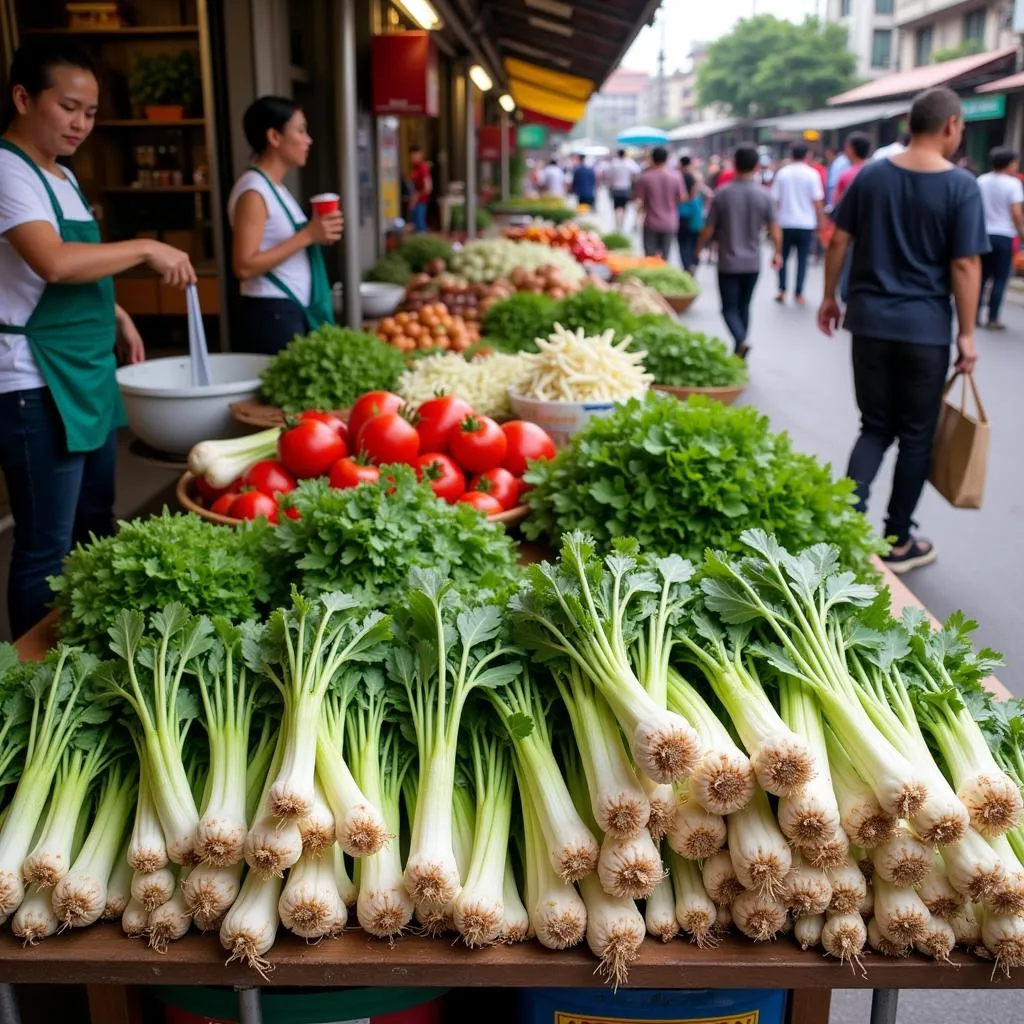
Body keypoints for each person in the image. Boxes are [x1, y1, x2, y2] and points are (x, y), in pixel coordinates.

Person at [0, 40, 196, 637]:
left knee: (94, 523)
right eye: (68, 107)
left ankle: (88, 651)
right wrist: (144, 247)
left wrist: (116, 314)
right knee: (45, 545)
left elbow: (81, 263)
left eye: (90, 112)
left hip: (84, 368)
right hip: (33, 379)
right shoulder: (8, 168)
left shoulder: (61, 174)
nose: (81, 124)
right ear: (23, 97)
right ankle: (34, 690)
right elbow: (54, 263)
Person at [818, 87, 988, 574]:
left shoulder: (871, 175)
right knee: (916, 436)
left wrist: (831, 297)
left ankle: (843, 530)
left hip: (869, 323)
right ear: (952, 125)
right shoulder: (960, 186)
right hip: (925, 330)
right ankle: (897, 540)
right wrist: (968, 335)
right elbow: (965, 265)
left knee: (874, 426)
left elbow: (839, 241)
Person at [229, 96, 342, 355]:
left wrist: (316, 235)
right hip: (272, 313)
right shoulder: (254, 192)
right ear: (274, 137)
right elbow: (244, 265)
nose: (308, 140)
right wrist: (307, 236)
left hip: (287, 310)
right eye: (300, 131)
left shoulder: (275, 188)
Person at [697, 146, 781, 359]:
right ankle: (740, 344)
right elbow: (775, 229)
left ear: (734, 164)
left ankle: (741, 339)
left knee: (728, 308)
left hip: (728, 260)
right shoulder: (764, 195)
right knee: (744, 305)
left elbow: (708, 228)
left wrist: (698, 249)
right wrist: (777, 253)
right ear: (756, 166)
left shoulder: (722, 194)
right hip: (753, 261)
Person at [977, 146, 1024, 330]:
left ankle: (974, 314)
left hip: (983, 234)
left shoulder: (981, 181)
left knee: (981, 276)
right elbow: (1016, 213)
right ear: (1009, 164)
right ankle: (993, 317)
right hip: (1004, 236)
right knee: (1000, 278)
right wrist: (1021, 232)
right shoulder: (1012, 184)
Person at [771, 143, 825, 305]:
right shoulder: (812, 174)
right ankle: (799, 291)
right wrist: (821, 221)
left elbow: (775, 200)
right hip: (805, 223)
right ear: (807, 155)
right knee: (802, 259)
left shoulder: (782, 174)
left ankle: (782, 289)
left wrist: (772, 223)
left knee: (782, 257)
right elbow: (817, 201)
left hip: (785, 221)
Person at [829, 132, 872, 303]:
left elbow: (838, 207)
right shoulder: (874, 172)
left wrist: (828, 295)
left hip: (852, 231)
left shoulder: (847, 176)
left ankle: (847, 294)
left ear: (851, 149)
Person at [633, 146, 685, 259]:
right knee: (665, 256)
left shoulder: (645, 178)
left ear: (652, 159)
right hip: (670, 222)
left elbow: (639, 201)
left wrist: (637, 218)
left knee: (649, 258)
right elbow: (682, 198)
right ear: (667, 159)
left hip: (651, 222)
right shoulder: (676, 176)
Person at [676, 155, 700, 273]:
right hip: (694, 213)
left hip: (681, 213)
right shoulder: (695, 177)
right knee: (693, 240)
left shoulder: (677, 177)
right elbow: (695, 194)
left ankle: (687, 265)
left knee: (682, 242)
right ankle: (693, 263)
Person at [606, 148, 640, 228]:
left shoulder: (614, 163)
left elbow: (607, 174)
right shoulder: (629, 163)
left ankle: (617, 223)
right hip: (626, 188)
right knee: (624, 207)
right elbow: (637, 171)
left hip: (615, 188)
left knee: (616, 207)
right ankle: (622, 223)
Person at [408, 145, 432, 233]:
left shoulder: (423, 167)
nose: (413, 158)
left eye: (415, 155)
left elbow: (427, 186)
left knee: (420, 225)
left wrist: (417, 196)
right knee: (416, 225)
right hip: (416, 199)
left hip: (421, 200)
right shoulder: (415, 167)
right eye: (412, 156)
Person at [825, 144, 850, 208]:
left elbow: (833, 182)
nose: (826, 156)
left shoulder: (840, 162)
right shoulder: (838, 161)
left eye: (827, 154)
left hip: (836, 191)